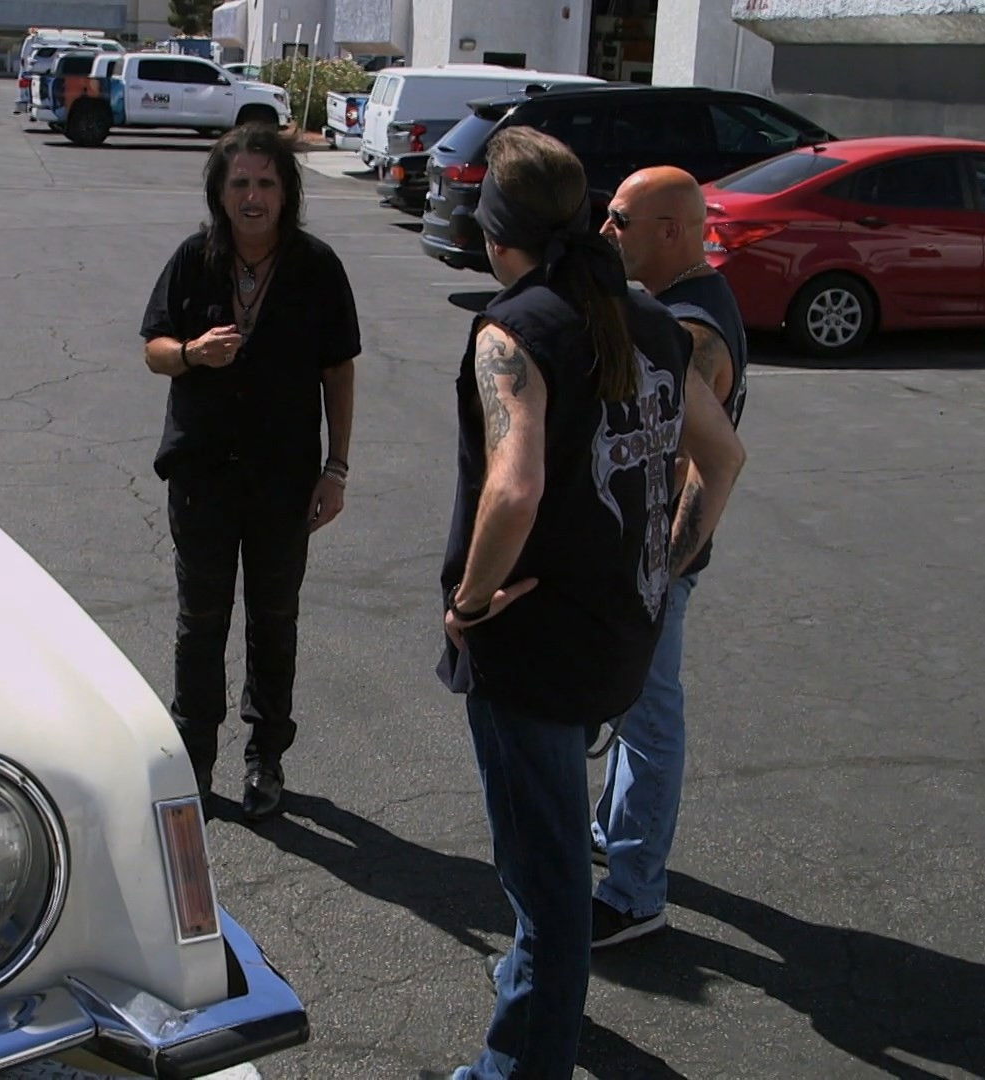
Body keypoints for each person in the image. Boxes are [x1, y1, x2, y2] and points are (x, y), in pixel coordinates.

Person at [427, 127, 746, 1079]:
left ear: (497, 232)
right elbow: (723, 456)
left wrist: (470, 603)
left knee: (549, 887)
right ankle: (539, 996)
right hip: (618, 632)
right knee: (557, 862)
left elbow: (514, 488)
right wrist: (664, 568)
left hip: (534, 648)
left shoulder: (514, 330)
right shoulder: (648, 315)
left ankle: (520, 1066)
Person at [139, 123, 361, 821]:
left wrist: (336, 469)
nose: (253, 196)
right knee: (200, 620)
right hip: (201, 476)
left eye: (266, 182)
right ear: (220, 192)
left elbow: (339, 371)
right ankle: (194, 756)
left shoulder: (316, 267)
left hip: (283, 480)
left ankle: (266, 757)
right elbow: (153, 348)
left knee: (274, 619)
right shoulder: (193, 259)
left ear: (287, 192)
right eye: (240, 183)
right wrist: (191, 353)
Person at [587, 165, 750, 949]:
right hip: (646, 563)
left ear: (673, 231)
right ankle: (614, 833)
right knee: (633, 708)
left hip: (654, 567)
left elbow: (707, 463)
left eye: (620, 219)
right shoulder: (681, 306)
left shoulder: (693, 336)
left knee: (650, 719)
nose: (605, 231)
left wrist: (664, 570)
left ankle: (633, 895)